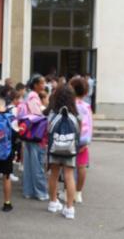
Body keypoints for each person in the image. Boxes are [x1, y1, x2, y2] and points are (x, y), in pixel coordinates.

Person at [45, 85, 80, 219]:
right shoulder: (76, 115)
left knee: (53, 174)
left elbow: (48, 130)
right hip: (70, 148)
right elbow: (79, 134)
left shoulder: (53, 114)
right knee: (69, 176)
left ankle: (53, 202)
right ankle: (70, 208)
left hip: (54, 147)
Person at [22, 74, 49, 201]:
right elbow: (36, 114)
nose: (44, 85)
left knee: (29, 165)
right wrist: (45, 109)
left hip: (29, 134)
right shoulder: (33, 96)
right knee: (37, 164)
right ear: (35, 85)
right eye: (42, 83)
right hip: (36, 135)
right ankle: (40, 192)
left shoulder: (29, 95)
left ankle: (28, 191)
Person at [70, 77, 93, 204]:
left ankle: (69, 191)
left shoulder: (70, 104)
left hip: (70, 139)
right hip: (84, 139)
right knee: (82, 166)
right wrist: (87, 141)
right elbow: (90, 124)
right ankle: (78, 193)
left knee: (68, 167)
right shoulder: (87, 106)